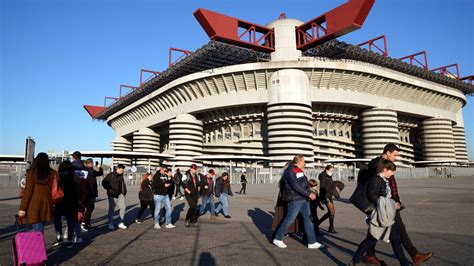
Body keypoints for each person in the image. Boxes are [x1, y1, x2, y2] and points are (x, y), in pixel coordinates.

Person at [364, 143, 433, 266]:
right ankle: (414, 256)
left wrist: (397, 199)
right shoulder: (377, 163)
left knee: (383, 229)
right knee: (391, 230)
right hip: (385, 204)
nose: (395, 158)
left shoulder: (387, 164)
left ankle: (369, 254)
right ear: (388, 152)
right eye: (394, 155)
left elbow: (390, 185)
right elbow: (376, 186)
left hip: (391, 202)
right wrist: (388, 202)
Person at [349, 160, 410, 266]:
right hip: (380, 214)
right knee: (371, 240)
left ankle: (404, 264)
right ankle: (355, 260)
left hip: (387, 214)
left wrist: (395, 202)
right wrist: (390, 204)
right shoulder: (376, 180)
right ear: (385, 169)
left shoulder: (384, 180)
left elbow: (386, 195)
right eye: (391, 171)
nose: (392, 174)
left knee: (395, 240)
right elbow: (371, 196)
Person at [273, 155, 325, 249]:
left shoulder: (298, 170)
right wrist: (309, 194)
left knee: (308, 219)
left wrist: (308, 193)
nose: (305, 163)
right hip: (295, 199)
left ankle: (312, 242)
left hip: (303, 199)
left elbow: (303, 184)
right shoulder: (290, 171)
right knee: (290, 219)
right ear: (299, 161)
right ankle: (277, 238)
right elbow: (295, 185)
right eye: (304, 161)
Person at [18, 153, 55, 232]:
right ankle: (38, 243)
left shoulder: (32, 173)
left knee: (37, 230)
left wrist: (22, 208)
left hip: (34, 204)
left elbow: (28, 192)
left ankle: (39, 244)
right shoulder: (52, 173)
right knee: (39, 227)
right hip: (47, 204)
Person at [53, 161, 79, 248]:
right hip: (71, 202)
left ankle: (59, 238)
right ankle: (70, 240)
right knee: (70, 222)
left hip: (60, 202)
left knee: (57, 220)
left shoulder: (58, 176)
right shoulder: (74, 177)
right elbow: (77, 191)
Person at [102, 164, 128, 230]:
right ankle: (110, 223)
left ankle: (120, 222)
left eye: (123, 171)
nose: (122, 172)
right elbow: (104, 182)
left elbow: (122, 184)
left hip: (120, 194)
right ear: (118, 168)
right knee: (112, 209)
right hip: (112, 194)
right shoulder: (111, 175)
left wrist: (124, 191)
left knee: (123, 207)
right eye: (121, 170)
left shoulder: (121, 175)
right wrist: (109, 189)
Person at [82, 158, 103, 231]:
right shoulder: (90, 171)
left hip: (88, 192)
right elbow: (99, 173)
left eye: (92, 163)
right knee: (89, 208)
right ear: (87, 164)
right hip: (90, 192)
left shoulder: (85, 170)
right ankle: (85, 223)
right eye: (90, 163)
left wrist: (100, 167)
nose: (91, 164)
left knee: (89, 208)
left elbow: (100, 173)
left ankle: (86, 222)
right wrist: (99, 167)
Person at [316, 165, 337, 233]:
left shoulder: (329, 176)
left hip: (329, 195)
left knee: (332, 212)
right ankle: (318, 224)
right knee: (332, 211)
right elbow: (322, 187)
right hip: (325, 196)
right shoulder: (323, 176)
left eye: (332, 171)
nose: (332, 172)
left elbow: (330, 184)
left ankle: (330, 227)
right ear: (326, 170)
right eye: (330, 170)